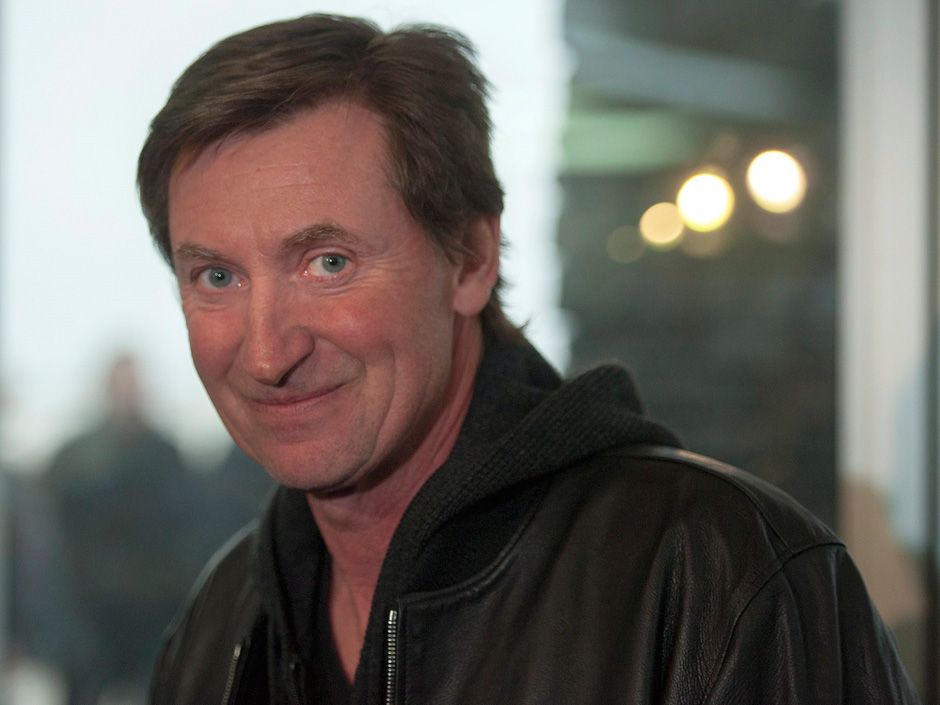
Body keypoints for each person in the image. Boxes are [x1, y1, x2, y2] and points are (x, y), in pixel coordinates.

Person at [137, 13, 919, 705]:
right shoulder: (222, 621)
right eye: (217, 277)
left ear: (472, 259)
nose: (268, 353)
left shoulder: (720, 578)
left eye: (328, 263)